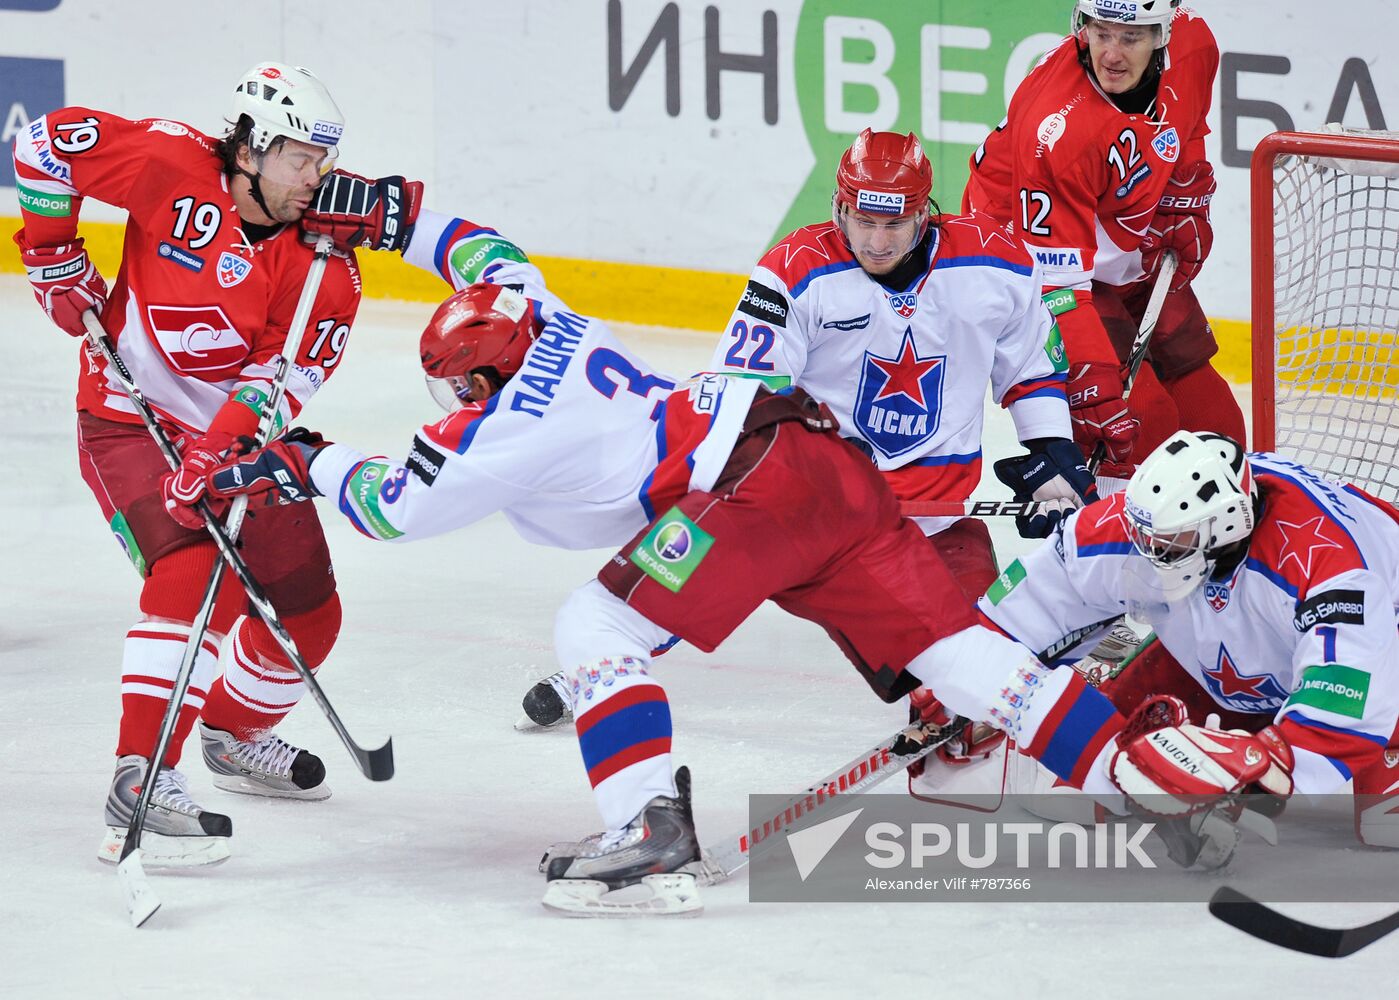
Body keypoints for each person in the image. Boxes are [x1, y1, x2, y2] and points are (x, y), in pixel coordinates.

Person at [200, 227, 1294, 913]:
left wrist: (298, 450)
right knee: (961, 654)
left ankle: (646, 831)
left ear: (475, 375)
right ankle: (1134, 780)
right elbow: (481, 248)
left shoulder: (493, 436)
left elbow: (389, 506)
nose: (453, 404)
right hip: (829, 462)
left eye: (456, 385)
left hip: (746, 500)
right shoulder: (552, 310)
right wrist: (395, 215)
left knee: (596, 631)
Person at [517, 128, 1098, 763]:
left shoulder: (995, 264)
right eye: (861, 219)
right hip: (814, 507)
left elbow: (1032, 367)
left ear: (925, 212)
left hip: (931, 523)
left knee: (967, 665)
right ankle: (601, 666)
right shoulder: (795, 269)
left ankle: (1024, 721)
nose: (876, 241)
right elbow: (743, 395)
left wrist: (1052, 456)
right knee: (672, 578)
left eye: (894, 223)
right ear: (839, 207)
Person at [11, 61, 419, 866]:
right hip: (126, 419)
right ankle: (141, 776)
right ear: (251, 147)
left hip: (234, 445)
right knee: (200, 573)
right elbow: (43, 146)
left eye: (325, 162)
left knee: (310, 615)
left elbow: (282, 379)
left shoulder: (327, 269)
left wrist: (219, 450)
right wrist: (52, 253)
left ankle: (234, 731)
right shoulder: (167, 163)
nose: (318, 179)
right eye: (302, 158)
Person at [980, 429, 1399, 847]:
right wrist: (975, 673)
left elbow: (1352, 696)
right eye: (1144, 535)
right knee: (1112, 759)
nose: (1147, 549)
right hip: (1267, 646)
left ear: (1229, 523)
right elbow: (1040, 594)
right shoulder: (1148, 522)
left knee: (1384, 823)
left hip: (1383, 654)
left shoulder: (1330, 570)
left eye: (1169, 542)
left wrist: (1269, 767)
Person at [965, 0, 1246, 492]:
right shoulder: (1056, 130)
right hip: (1029, 256)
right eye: (1102, 32)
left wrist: (1185, 201)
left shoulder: (1195, 45)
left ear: (1163, 33)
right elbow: (1058, 288)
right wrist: (1093, 388)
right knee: (1144, 425)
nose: (1112, 54)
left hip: (1115, 234)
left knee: (1217, 420)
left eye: (1131, 36)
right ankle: (1120, 547)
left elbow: (1189, 129)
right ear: (1083, 26)